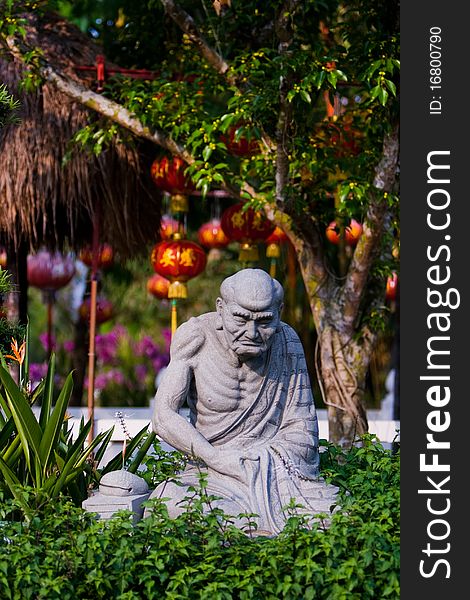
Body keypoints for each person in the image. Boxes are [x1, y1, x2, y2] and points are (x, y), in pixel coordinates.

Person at [146, 268, 338, 534]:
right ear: (221, 308)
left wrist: (257, 463)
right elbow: (163, 417)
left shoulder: (287, 341)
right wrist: (216, 458)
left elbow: (302, 430)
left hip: (277, 476)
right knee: (173, 504)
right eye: (241, 318)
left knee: (337, 512)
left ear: (279, 312)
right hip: (209, 472)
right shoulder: (196, 337)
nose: (252, 331)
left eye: (264, 321)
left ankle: (251, 521)